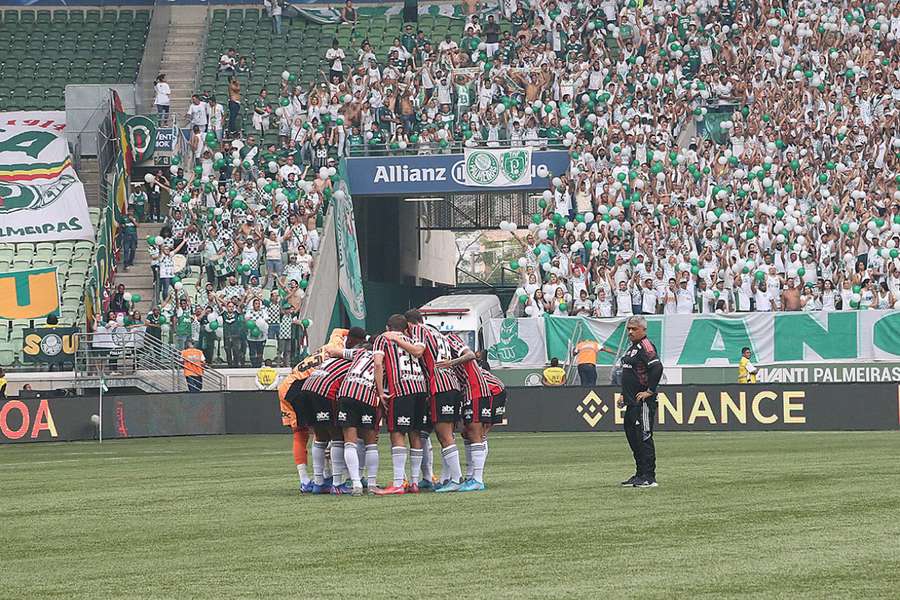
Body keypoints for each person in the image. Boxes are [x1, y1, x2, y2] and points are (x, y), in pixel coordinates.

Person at [371, 314, 429, 495]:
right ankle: (414, 482)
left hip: (401, 388)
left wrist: (380, 391)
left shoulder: (383, 339)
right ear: (405, 329)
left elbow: (378, 364)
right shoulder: (411, 340)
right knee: (415, 433)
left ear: (388, 327)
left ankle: (398, 483)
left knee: (397, 433)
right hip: (420, 387)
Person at [617, 316, 663, 489]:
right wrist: (623, 394)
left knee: (644, 437)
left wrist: (650, 390)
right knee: (633, 438)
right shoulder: (632, 348)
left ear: (643, 330)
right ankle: (639, 474)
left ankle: (649, 476)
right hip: (631, 402)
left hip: (643, 403)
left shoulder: (646, 346)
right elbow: (631, 373)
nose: (630, 332)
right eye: (628, 328)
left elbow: (657, 367)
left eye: (634, 329)